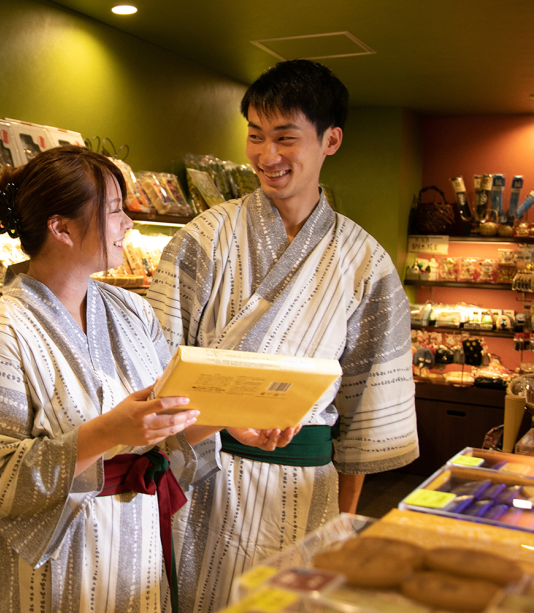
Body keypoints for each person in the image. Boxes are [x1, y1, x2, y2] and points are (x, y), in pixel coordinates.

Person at [146, 59, 419, 611]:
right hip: (204, 475)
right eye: (255, 136)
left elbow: (366, 407)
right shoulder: (205, 237)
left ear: (331, 140)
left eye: (285, 138)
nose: (267, 156)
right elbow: (151, 360)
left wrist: (341, 522)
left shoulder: (366, 262)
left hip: (306, 487)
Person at [0, 145, 221, 612]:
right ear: (62, 228)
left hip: (136, 541)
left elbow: (168, 419)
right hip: (52, 564)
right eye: (115, 210)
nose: (127, 224)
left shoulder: (133, 311)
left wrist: (234, 418)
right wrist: (112, 430)